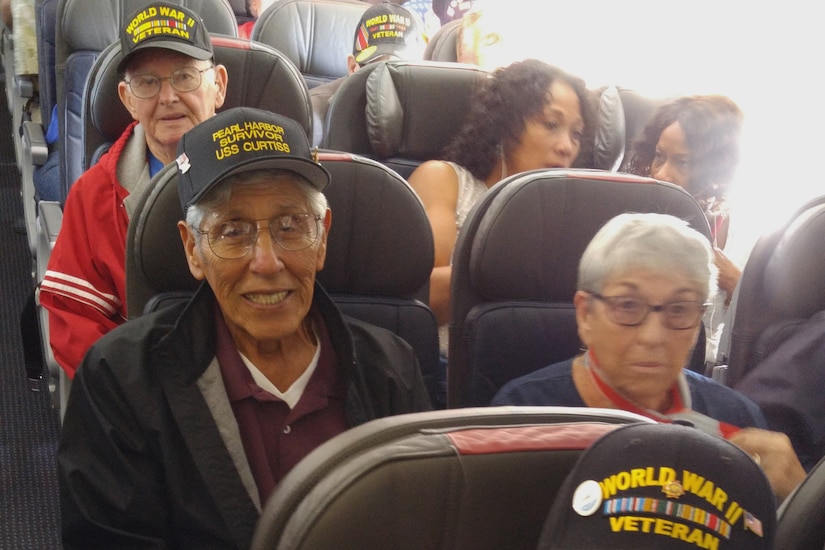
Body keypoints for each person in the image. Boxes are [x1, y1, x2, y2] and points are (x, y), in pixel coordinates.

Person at [58, 107, 432, 549]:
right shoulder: (120, 380)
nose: (267, 262)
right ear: (193, 250)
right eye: (233, 231)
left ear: (323, 237)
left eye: (290, 226)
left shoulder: (390, 367)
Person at [38, 2, 228, 378]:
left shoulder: (269, 175)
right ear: (127, 99)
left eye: (185, 76)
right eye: (147, 82)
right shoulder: (94, 195)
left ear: (218, 86)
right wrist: (142, 392)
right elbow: (75, 322)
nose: (168, 96)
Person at [492, 213, 766, 432]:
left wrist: (790, 495)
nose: (653, 336)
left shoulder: (737, 423)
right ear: (586, 315)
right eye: (628, 305)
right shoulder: (523, 417)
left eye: (679, 309)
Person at [408, 59, 594, 358]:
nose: (566, 146)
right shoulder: (446, 181)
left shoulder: (573, 216)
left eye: (576, 134)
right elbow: (422, 300)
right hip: (449, 373)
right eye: (550, 124)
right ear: (505, 125)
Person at [625, 95, 744, 362]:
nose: (662, 174)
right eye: (659, 156)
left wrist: (738, 284)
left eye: (683, 162)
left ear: (717, 168)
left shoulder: (743, 232)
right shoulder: (634, 219)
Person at [308, 1, 425, 145]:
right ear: (353, 67)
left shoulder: (429, 111)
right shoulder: (314, 113)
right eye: (375, 69)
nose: (387, 81)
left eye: (399, 69)